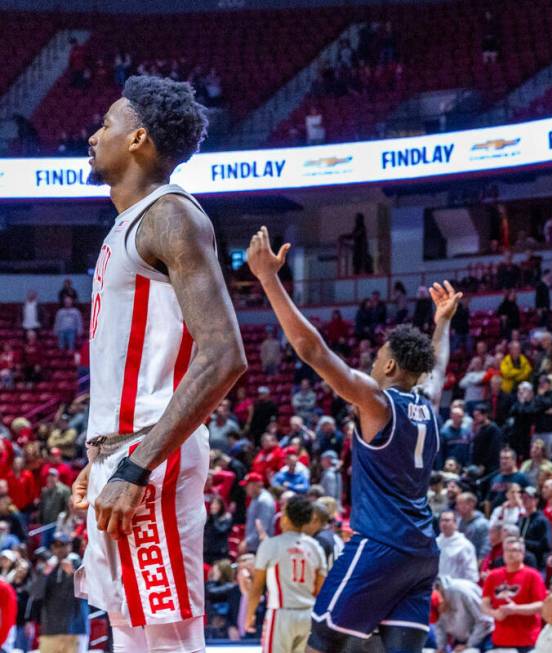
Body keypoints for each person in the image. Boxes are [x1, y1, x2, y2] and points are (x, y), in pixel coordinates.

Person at [68, 75, 246, 653]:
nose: (94, 135)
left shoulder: (170, 216)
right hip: (124, 452)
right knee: (132, 635)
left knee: (165, 641)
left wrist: (135, 467)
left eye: (107, 124)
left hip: (150, 458)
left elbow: (224, 354)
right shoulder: (130, 223)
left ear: (139, 137)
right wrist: (101, 456)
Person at [249, 224, 462, 653]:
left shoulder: (378, 402)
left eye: (378, 355)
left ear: (386, 368)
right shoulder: (428, 405)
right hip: (421, 554)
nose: (372, 358)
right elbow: (436, 368)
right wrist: (441, 326)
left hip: (379, 544)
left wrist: (269, 280)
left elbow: (313, 351)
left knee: (321, 641)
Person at [244, 496, 327, 653]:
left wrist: (249, 616)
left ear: (286, 518)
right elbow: (321, 588)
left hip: (281, 614)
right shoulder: (315, 547)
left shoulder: (271, 544)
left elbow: (257, 587)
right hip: (308, 614)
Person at [482, 537, 547, 652]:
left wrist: (515, 609)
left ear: (522, 554)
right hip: (500, 639)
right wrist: (494, 613)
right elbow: (484, 605)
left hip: (526, 640)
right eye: (507, 550)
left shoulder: (533, 576)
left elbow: (540, 605)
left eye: (514, 550)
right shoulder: (493, 576)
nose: (510, 554)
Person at [33, 536, 90, 653]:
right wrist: (45, 573)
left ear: (70, 546)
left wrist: (72, 574)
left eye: (62, 545)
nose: (59, 549)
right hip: (50, 630)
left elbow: (88, 591)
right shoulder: (47, 568)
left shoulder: (80, 564)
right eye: (55, 546)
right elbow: (35, 594)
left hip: (75, 628)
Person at [432, 576, 495, 652]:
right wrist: (440, 648)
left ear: (440, 599)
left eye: (439, 610)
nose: (440, 614)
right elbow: (439, 626)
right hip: (462, 639)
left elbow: (485, 620)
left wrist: (469, 645)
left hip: (486, 635)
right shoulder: (433, 597)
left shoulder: (461, 591)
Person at [437, 509, 479, 583]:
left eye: (447, 520)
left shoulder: (464, 545)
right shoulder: (436, 543)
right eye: (441, 520)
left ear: (455, 524)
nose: (443, 523)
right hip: (438, 587)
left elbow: (471, 573)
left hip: (456, 587)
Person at [241, 473, 277, 554]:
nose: (245, 488)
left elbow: (263, 526)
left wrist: (247, 542)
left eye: (247, 485)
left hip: (262, 547)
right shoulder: (255, 498)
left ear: (255, 485)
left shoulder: (263, 501)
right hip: (256, 546)